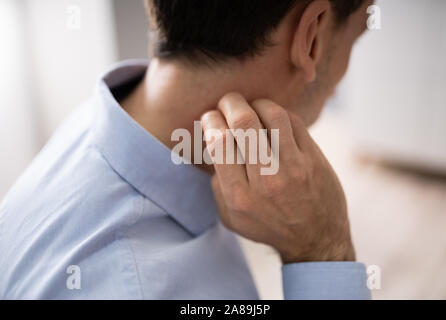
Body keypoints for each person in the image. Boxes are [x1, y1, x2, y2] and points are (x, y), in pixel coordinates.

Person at [0, 0, 372, 299]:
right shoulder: (139, 286)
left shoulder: (99, 122)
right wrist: (324, 252)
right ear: (312, 36)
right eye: (356, 36)